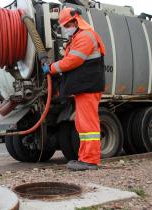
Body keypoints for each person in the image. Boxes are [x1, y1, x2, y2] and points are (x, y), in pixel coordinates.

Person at [43, 7, 105, 171]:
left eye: (67, 24)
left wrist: (51, 68)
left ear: (75, 21)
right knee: (82, 124)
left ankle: (90, 160)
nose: (66, 27)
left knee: (88, 124)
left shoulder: (86, 36)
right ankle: (85, 158)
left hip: (88, 86)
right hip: (84, 87)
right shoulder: (78, 37)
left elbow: (73, 61)